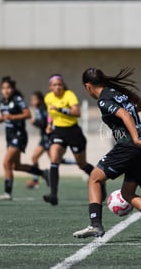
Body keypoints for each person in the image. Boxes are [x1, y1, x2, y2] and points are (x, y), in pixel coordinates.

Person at [73, 67, 141, 242]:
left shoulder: (104, 100)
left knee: (94, 178)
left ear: (88, 86)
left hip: (130, 146)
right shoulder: (118, 93)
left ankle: (95, 223)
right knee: (127, 193)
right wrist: (132, 121)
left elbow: (124, 114)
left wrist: (134, 137)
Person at [43, 74, 104, 206]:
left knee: (82, 164)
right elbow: (50, 113)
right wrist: (49, 124)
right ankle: (53, 195)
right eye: (54, 85)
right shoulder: (48, 97)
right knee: (54, 159)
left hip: (73, 132)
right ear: (50, 87)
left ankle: (100, 182)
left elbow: (77, 113)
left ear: (63, 85)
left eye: (60, 84)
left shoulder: (69, 95)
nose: (58, 87)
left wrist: (60, 109)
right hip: (58, 132)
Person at [0, 76, 48, 200]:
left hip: (19, 135)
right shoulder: (2, 102)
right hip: (9, 135)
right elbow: (6, 116)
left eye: (8, 88)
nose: (6, 90)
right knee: (15, 166)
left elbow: (28, 114)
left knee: (6, 163)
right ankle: (43, 173)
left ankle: (7, 193)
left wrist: (11, 117)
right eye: (3, 88)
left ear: (12, 89)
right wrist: (1, 119)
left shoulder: (17, 99)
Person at [26, 91, 76, 189]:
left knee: (56, 160)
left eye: (34, 99)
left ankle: (78, 162)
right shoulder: (38, 109)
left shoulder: (43, 108)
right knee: (34, 157)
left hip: (49, 138)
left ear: (39, 100)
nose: (32, 101)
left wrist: (35, 122)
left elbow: (45, 123)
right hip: (43, 139)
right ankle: (35, 181)